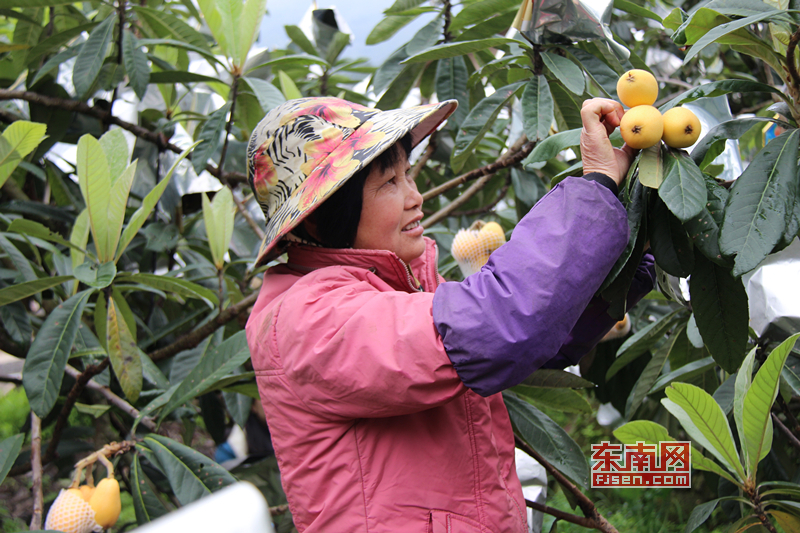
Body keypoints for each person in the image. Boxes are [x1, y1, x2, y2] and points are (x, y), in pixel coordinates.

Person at [244, 96, 655, 532]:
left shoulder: (398, 288)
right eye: (388, 183)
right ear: (317, 218)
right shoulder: (308, 317)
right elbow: (500, 327)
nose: (415, 197)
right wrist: (595, 189)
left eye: (408, 175)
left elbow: (544, 334)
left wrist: (634, 245)